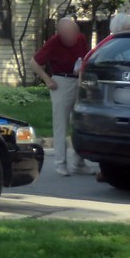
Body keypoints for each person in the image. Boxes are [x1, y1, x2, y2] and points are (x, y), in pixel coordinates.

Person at [28, 17, 95, 176]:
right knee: (61, 125)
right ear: (61, 34)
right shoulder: (54, 42)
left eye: (75, 33)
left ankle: (79, 163)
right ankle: (60, 164)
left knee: (80, 123)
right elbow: (34, 63)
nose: (73, 37)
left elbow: (86, 58)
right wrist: (47, 79)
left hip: (77, 81)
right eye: (69, 34)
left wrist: (82, 76)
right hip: (61, 81)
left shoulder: (80, 39)